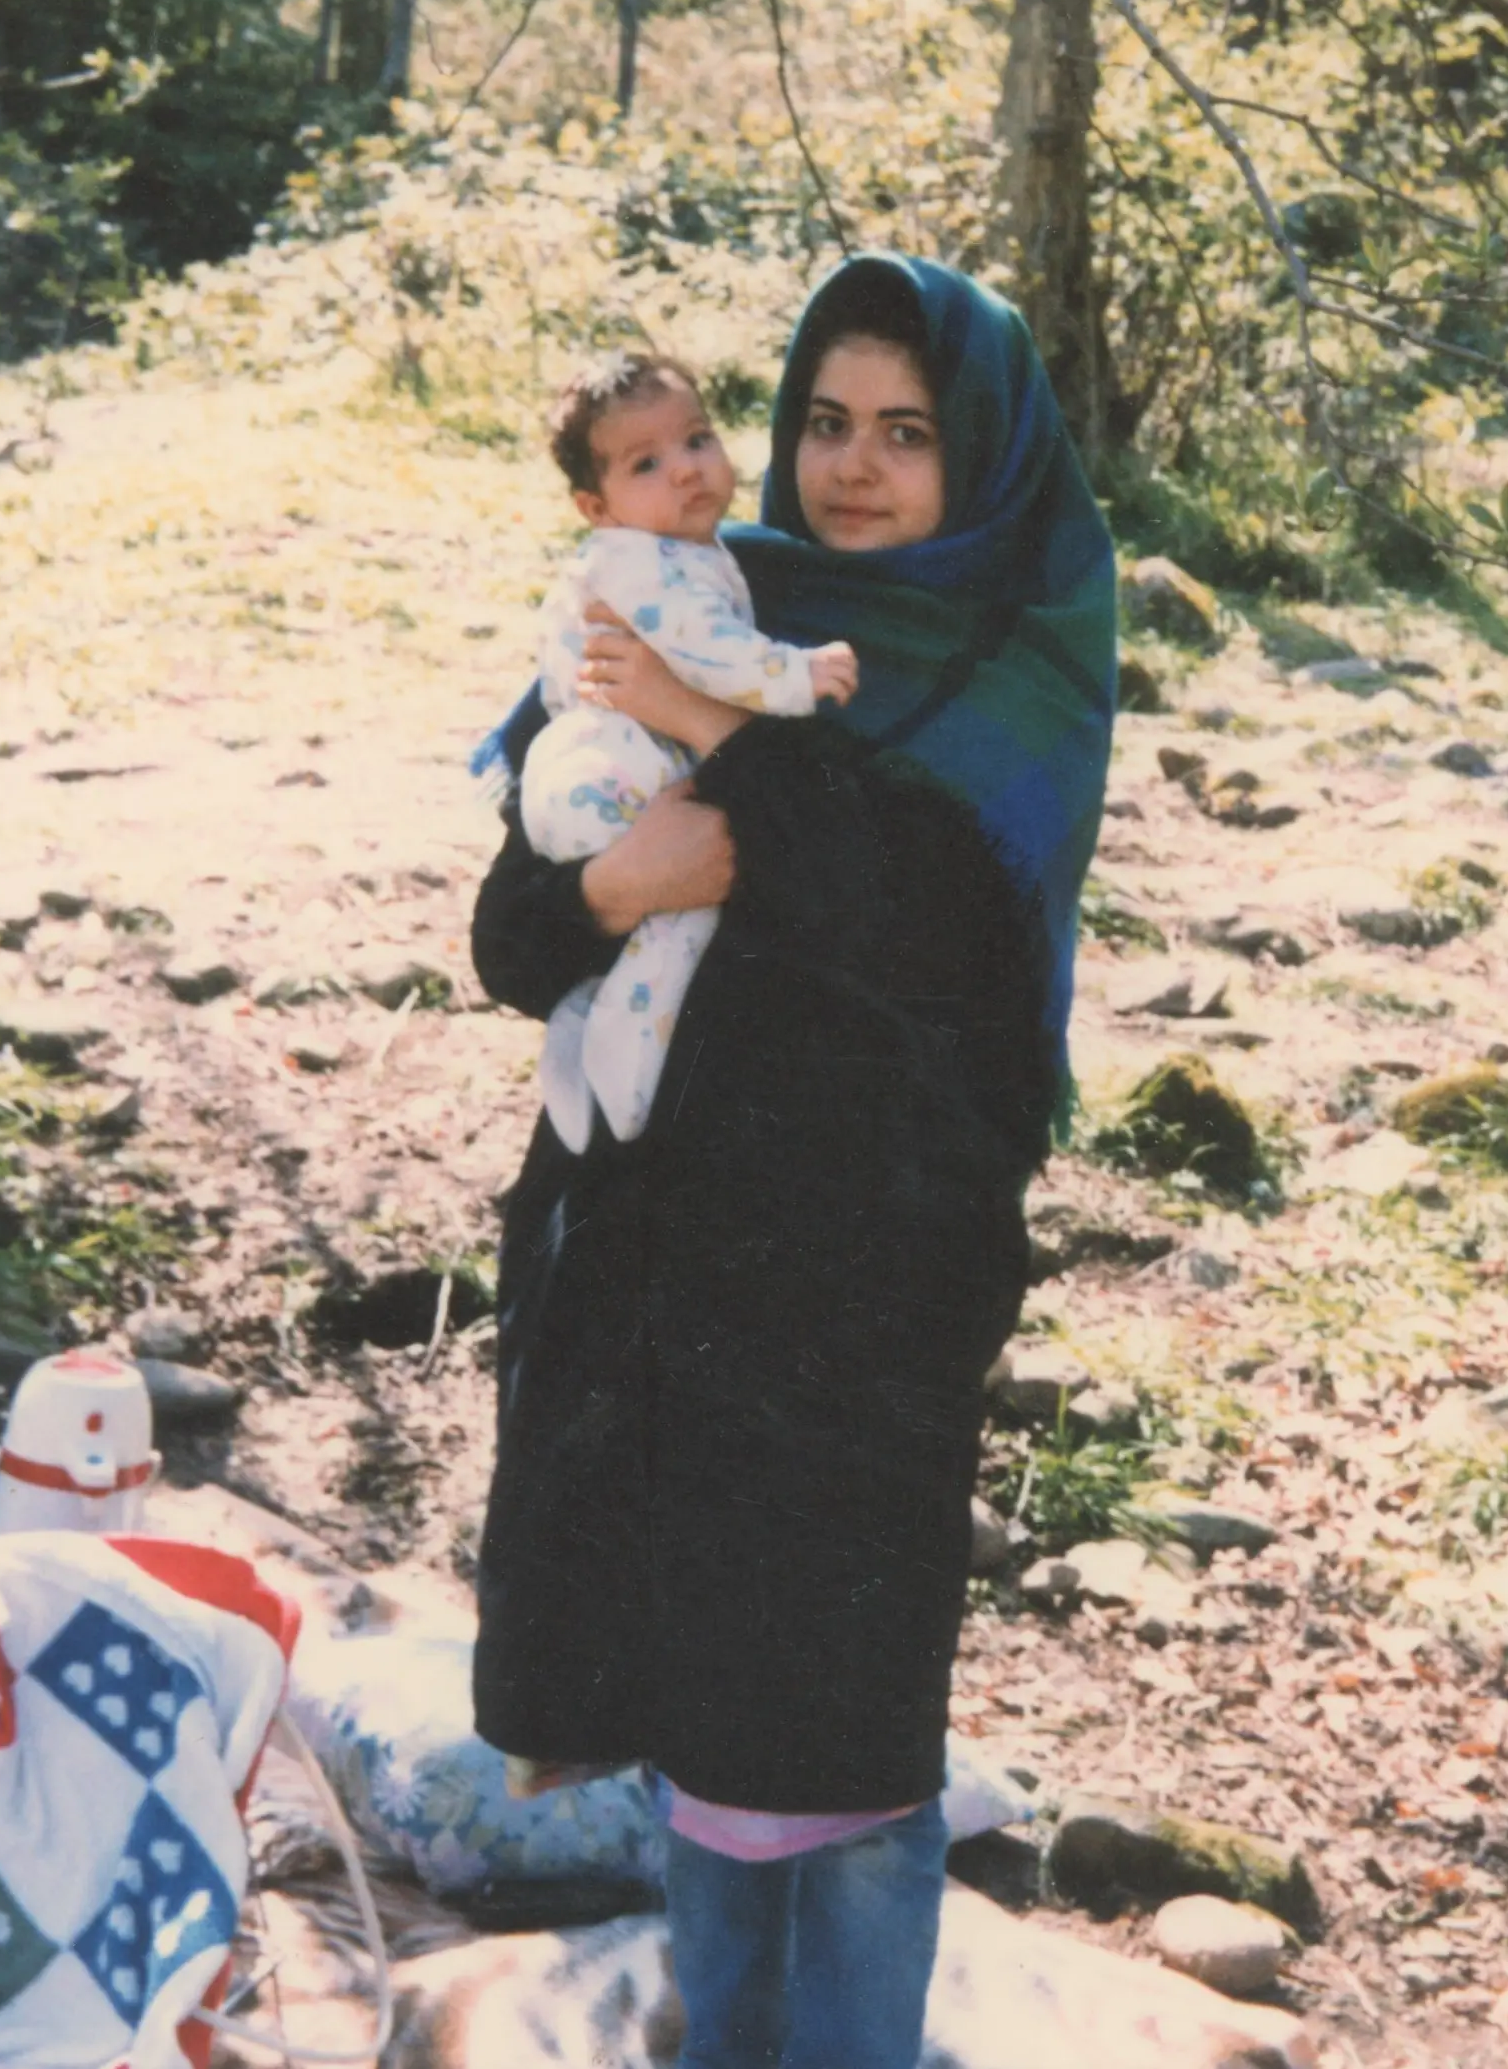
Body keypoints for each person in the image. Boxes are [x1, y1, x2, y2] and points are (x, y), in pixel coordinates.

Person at [468, 252, 1117, 2069]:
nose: (850, 467)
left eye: (906, 433)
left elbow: (919, 946)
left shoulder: (1014, 658)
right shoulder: (697, 592)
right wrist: (621, 875)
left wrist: (713, 740)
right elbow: (515, 933)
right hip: (663, 1258)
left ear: (976, 455)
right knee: (692, 1689)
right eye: (821, 421)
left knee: (837, 1718)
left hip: (875, 1272)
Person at [520, 352, 858, 1153]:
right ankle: (625, 1070)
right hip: (605, 768)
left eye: (697, 440)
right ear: (595, 506)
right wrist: (796, 674)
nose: (685, 471)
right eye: (647, 463)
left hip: (610, 760)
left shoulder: (694, 552)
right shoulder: (639, 561)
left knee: (675, 907)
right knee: (690, 897)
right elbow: (705, 647)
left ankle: (587, 1024)